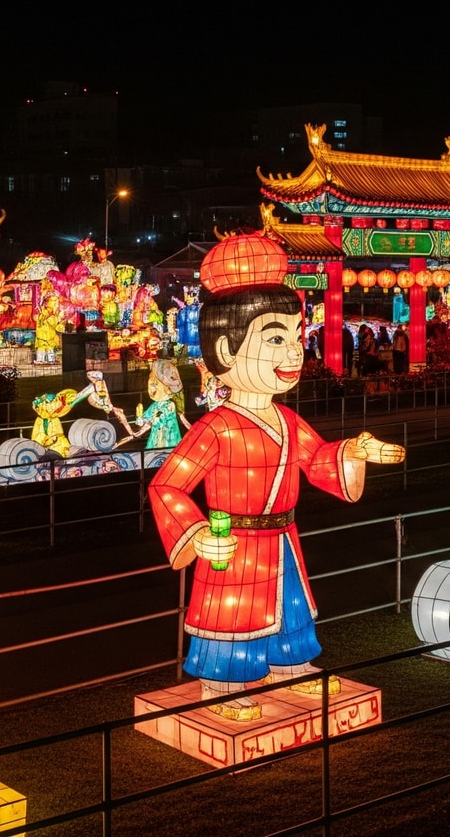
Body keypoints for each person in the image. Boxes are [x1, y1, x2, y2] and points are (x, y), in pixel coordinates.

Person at [146, 236, 404, 722]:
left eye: (296, 336)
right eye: (275, 339)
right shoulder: (216, 426)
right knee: (232, 617)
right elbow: (166, 485)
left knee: (291, 610)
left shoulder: (287, 421)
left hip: (283, 536)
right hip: (235, 543)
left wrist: (353, 451)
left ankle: (291, 666)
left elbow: (317, 459)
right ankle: (222, 683)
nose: (293, 353)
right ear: (226, 349)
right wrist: (197, 533)